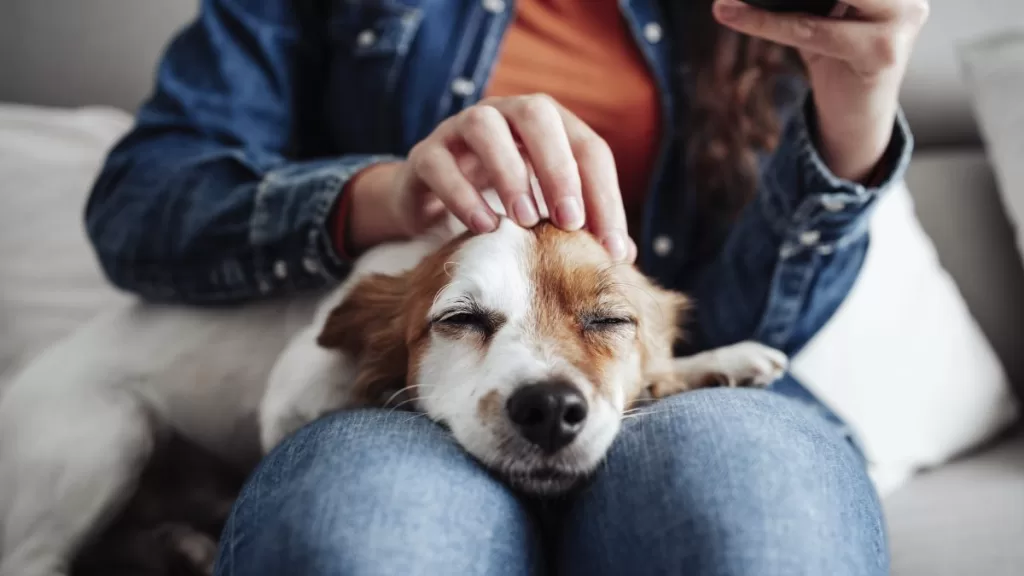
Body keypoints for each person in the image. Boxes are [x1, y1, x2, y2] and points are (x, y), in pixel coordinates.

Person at [85, 0, 926, 574]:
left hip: (660, 394)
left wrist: (855, 111)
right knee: (366, 536)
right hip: (407, 409)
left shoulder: (755, 18)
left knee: (758, 515)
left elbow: (737, 326)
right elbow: (138, 204)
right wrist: (384, 194)